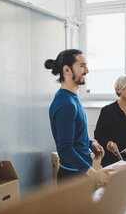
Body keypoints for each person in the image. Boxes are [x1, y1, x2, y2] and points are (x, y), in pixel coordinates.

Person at [45, 49, 112, 183]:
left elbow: (74, 135)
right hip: (72, 178)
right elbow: (65, 149)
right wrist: (94, 174)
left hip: (80, 173)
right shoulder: (65, 103)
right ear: (67, 70)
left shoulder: (72, 98)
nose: (87, 70)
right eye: (82, 65)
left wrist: (90, 143)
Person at [94, 75, 126, 167]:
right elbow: (98, 134)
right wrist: (108, 144)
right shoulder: (107, 110)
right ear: (118, 90)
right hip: (112, 161)